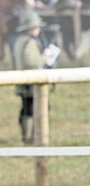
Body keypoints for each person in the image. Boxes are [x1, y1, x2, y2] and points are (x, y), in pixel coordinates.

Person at [11, 11, 57, 144]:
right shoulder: (29, 42)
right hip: (31, 82)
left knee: (26, 109)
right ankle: (33, 136)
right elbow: (31, 61)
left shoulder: (20, 40)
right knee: (34, 109)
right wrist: (45, 56)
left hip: (24, 81)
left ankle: (28, 136)